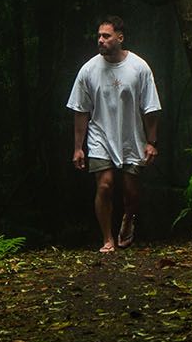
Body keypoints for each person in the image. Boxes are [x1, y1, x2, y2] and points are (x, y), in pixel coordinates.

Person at [67, 15, 161, 253]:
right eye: (99, 36)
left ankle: (129, 218)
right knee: (105, 186)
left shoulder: (139, 67)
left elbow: (150, 108)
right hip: (100, 136)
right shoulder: (88, 70)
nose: (100, 40)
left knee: (131, 192)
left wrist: (151, 141)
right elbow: (80, 111)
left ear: (120, 38)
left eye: (106, 36)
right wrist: (78, 147)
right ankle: (107, 239)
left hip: (131, 136)